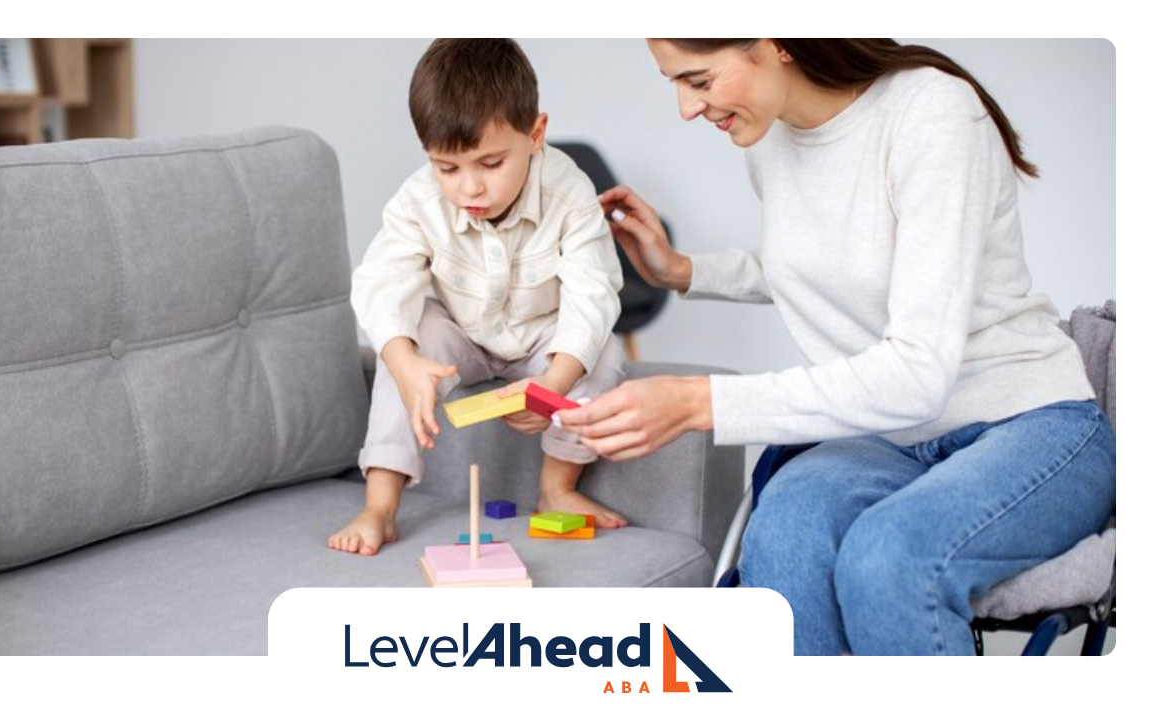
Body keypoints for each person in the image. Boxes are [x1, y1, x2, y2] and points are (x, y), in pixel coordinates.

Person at [557, 39, 1116, 655]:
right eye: (675, 84)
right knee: (783, 532)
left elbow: (917, 374)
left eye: (699, 79)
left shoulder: (933, 113)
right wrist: (683, 270)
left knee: (889, 556)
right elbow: (830, 269)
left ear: (773, 44)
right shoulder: (768, 142)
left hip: (1029, 425)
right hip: (893, 438)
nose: (687, 108)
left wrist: (698, 401)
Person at [329, 38, 628, 556]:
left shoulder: (569, 192)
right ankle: (380, 505)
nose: (469, 189)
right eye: (448, 169)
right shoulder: (418, 200)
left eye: (490, 164)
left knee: (603, 350)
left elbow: (593, 291)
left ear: (535, 134)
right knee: (408, 342)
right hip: (460, 338)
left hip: (539, 337)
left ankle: (557, 487)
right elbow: (382, 281)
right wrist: (403, 362)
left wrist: (553, 382)